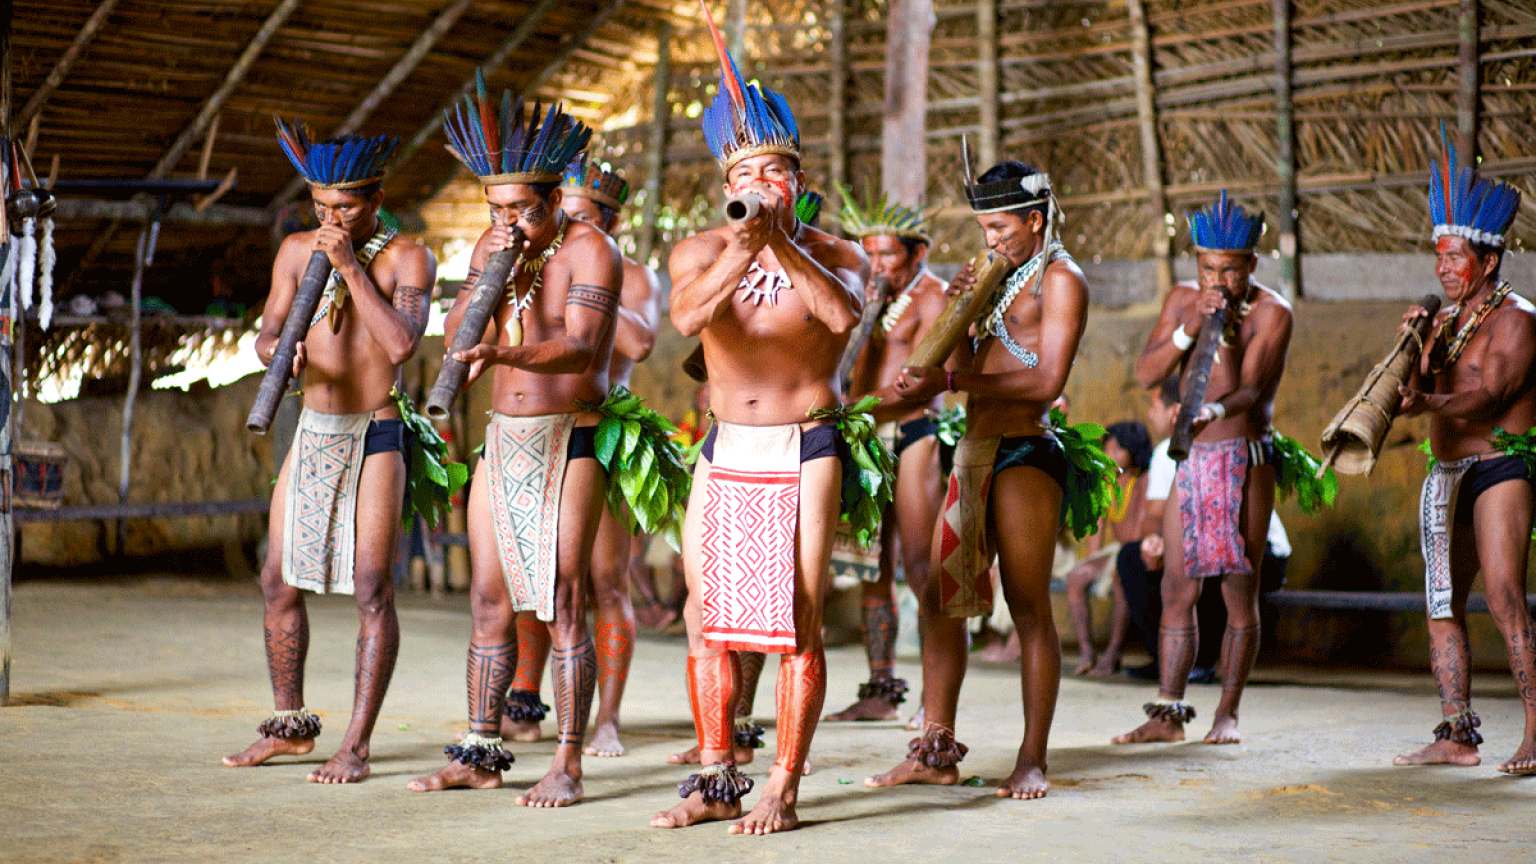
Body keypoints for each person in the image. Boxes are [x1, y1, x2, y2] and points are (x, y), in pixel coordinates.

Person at [650, 8, 880, 834]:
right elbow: (685, 321)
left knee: (801, 615)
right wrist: (746, 248)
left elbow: (841, 315)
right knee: (704, 613)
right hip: (727, 445)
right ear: (726, 185)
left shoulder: (837, 252)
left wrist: (780, 243)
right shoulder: (700, 251)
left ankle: (782, 783)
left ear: (797, 176)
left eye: (776, 173)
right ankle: (716, 778)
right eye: (748, 175)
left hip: (804, 443)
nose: (761, 188)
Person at [406, 85, 622, 807]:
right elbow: (454, 331)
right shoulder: (491, 247)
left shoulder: (592, 248)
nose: (509, 222)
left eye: (522, 210)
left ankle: (567, 760)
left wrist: (503, 359)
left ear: (556, 197)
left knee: (563, 598)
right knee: (489, 601)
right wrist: (492, 274)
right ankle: (480, 749)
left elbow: (581, 350)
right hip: (507, 439)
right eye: (497, 211)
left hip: (571, 436)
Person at [868, 152, 1108, 801]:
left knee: (1028, 607)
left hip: (1027, 448)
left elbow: (1045, 381)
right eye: (984, 231)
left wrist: (950, 378)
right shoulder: (996, 280)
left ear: (1035, 220)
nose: (990, 241)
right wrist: (961, 321)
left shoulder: (1061, 280)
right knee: (942, 602)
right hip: (976, 445)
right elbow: (976, 362)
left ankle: (1033, 759)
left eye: (1001, 229)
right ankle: (935, 749)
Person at [224, 123, 436, 784]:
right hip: (312, 428)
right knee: (277, 580)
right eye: (320, 207)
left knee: (372, 587)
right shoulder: (294, 251)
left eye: (343, 208)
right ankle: (290, 727)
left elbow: (400, 344)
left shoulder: (408, 257)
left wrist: (347, 265)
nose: (329, 219)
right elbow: (266, 330)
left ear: (376, 199)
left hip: (374, 434)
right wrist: (275, 355)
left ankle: (358, 744)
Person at [1112, 192, 1292, 747]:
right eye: (1207, 267)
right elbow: (1147, 372)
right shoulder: (1183, 300)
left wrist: (1225, 338)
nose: (1217, 279)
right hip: (1190, 459)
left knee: (1240, 590)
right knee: (1175, 589)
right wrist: (1190, 329)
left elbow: (1249, 391)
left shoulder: (1272, 312)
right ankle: (1168, 713)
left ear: (1251, 266)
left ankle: (1227, 714)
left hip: (1243, 457)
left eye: (1230, 270)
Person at [498, 155, 662, 758]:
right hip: (535, 430)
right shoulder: (532, 264)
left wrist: (594, 283)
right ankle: (523, 698)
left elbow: (640, 342)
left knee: (604, 581)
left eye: (581, 214)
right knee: (529, 579)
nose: (564, 219)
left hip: (603, 434)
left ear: (610, 223)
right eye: (560, 208)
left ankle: (608, 719)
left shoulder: (633, 272)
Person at [1392, 130, 1536, 775]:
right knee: (1442, 601)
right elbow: (1421, 390)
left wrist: (1426, 404)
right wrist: (1411, 348)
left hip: (1498, 467)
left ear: (1488, 259)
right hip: (1445, 471)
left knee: (1505, 596)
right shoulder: (1445, 322)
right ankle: (1457, 734)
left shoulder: (1517, 319)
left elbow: (1488, 394)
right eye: (1438, 258)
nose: (1444, 269)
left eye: (1455, 258)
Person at [822, 184, 951, 722]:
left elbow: (924, 379)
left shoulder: (934, 296)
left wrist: (856, 404)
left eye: (887, 254)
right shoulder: (860, 295)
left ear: (916, 253)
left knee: (922, 568)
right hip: (867, 439)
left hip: (913, 434)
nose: (876, 263)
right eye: (868, 253)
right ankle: (881, 690)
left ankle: (935, 695)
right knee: (872, 568)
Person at [1120, 375, 1290, 683]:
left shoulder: (1228, 443)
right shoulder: (1165, 452)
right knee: (1133, 558)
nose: (1150, 414)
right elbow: (1154, 514)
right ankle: (1167, 658)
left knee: (1211, 558)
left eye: (1155, 405)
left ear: (1178, 411)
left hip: (1263, 554)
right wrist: (1154, 540)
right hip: (1200, 544)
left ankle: (1201, 661)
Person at [1064, 421, 1150, 676]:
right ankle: (1087, 651)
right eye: (1107, 449)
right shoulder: (1107, 480)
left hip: (1134, 549)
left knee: (1120, 579)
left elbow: (1141, 528)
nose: (1109, 455)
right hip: (1113, 552)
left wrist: (1119, 562)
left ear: (1133, 450)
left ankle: (1113, 652)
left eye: (1116, 449)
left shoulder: (1143, 480)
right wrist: (1092, 561)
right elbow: (1099, 524)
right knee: (1076, 577)